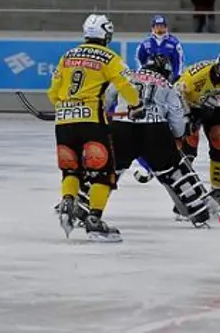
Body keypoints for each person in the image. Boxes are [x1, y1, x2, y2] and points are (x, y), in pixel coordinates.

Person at [48, 13, 140, 242]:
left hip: (63, 122)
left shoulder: (67, 56)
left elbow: (52, 93)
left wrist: (67, 107)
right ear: (106, 33)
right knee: (103, 172)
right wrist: (137, 104)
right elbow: (125, 85)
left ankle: (68, 200)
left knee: (70, 170)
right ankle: (94, 220)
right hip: (92, 121)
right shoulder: (110, 57)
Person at [105, 53, 211, 227]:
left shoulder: (128, 76)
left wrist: (101, 114)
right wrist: (178, 136)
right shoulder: (168, 85)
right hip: (155, 129)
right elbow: (176, 115)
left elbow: (108, 96)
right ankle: (198, 213)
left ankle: (85, 207)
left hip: (123, 127)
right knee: (174, 173)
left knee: (109, 170)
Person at [175, 48, 220, 220]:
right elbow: (177, 92)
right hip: (190, 105)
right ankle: (186, 196)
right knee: (189, 145)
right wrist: (186, 116)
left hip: (214, 106)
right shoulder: (195, 77)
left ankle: (216, 191)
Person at [132, 14, 185, 184]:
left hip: (164, 83)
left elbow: (179, 61)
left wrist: (175, 78)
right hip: (148, 84)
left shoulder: (173, 42)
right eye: (157, 26)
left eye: (162, 26)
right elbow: (138, 59)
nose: (160, 29)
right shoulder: (146, 43)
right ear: (153, 27)